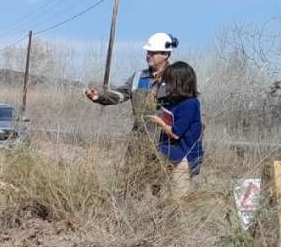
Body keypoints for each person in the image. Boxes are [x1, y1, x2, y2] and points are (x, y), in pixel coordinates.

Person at [85, 31, 178, 181]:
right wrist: (99, 96)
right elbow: (121, 94)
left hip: (165, 143)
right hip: (137, 141)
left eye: (153, 52)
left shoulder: (177, 77)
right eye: (148, 52)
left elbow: (187, 109)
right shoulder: (138, 77)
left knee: (160, 185)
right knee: (131, 183)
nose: (148, 55)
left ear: (165, 54)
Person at [149, 61, 203, 196]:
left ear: (178, 82)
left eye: (168, 81)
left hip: (183, 158)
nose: (165, 84)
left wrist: (159, 123)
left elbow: (175, 134)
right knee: (162, 197)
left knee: (179, 199)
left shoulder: (190, 104)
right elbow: (153, 101)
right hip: (169, 155)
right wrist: (157, 82)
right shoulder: (172, 102)